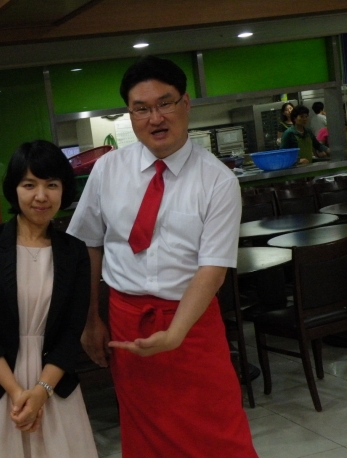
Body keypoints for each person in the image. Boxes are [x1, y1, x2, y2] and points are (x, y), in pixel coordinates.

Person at [67, 56, 257, 458]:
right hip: (125, 321)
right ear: (130, 114)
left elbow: (213, 269)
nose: (155, 118)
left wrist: (174, 334)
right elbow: (88, 246)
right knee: (145, 435)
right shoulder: (107, 171)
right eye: (141, 108)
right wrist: (90, 318)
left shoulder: (218, 180)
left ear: (185, 103)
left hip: (191, 323)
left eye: (165, 103)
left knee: (219, 433)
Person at [0, 140, 98, 457]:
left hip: (51, 384)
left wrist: (40, 392)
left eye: (52, 185)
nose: (41, 196)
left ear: (63, 189)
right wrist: (19, 393)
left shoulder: (73, 252)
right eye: (29, 185)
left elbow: (71, 331)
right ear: (14, 189)